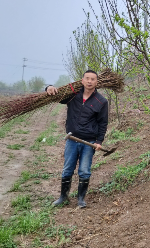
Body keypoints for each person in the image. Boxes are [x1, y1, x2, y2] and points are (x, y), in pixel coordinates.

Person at [45, 70, 108, 208]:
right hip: (72, 139)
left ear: (97, 82)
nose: (90, 81)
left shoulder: (101, 101)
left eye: (93, 79)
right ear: (82, 80)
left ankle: (81, 199)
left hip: (89, 142)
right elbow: (55, 96)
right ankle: (63, 197)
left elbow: (103, 123)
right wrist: (48, 87)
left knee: (84, 170)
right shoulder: (72, 95)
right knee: (67, 169)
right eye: (87, 78)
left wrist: (99, 141)